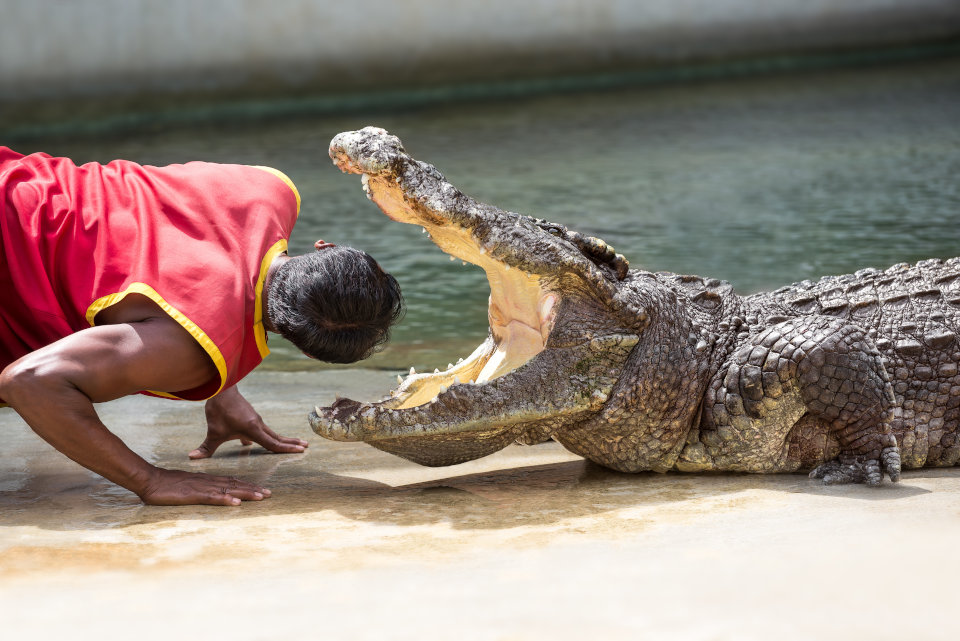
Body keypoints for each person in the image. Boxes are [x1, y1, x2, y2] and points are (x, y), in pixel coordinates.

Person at [0, 147, 403, 506]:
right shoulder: (193, 350)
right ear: (305, 349)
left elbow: (185, 253)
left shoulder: (266, 188)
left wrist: (224, 390)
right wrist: (149, 479)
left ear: (325, 246)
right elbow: (30, 381)